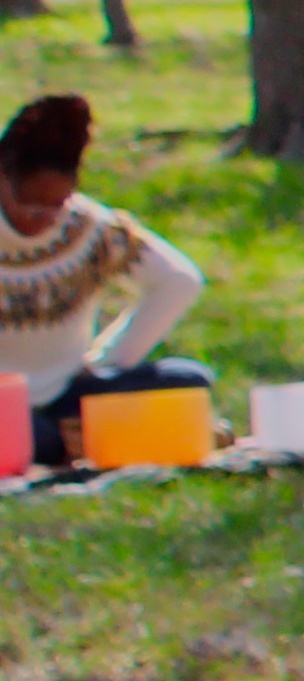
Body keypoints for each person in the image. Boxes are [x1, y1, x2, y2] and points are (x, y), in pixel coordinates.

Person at [2, 94, 209, 467]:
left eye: (58, 205)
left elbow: (179, 280)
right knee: (38, 438)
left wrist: (109, 360)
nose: (46, 219)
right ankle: (76, 440)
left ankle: (73, 438)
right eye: (31, 206)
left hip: (67, 393)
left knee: (188, 378)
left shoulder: (90, 228)